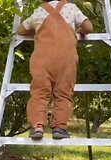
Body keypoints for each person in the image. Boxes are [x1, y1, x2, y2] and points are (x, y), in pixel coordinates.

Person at [17, 0, 93, 139]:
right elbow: (88, 27)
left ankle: (37, 126)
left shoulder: (39, 11)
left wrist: (36, 30)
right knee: (64, 93)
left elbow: (21, 30)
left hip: (42, 60)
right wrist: (78, 30)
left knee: (39, 92)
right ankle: (59, 128)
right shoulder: (72, 8)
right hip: (67, 60)